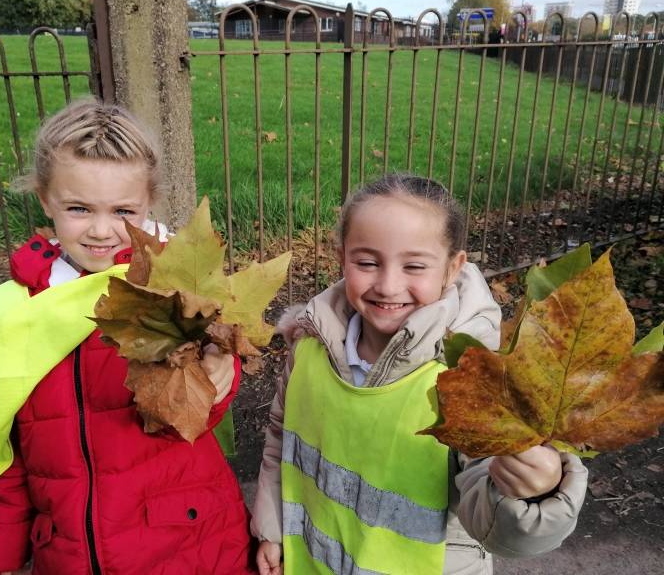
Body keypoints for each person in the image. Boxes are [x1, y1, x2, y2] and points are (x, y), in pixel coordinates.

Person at [0, 98, 254, 575]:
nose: (101, 231)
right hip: (70, 551)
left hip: (186, 544)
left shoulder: (171, 285)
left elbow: (197, 416)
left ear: (148, 203)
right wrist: (0, 552)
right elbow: (2, 443)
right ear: (45, 199)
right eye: (79, 208)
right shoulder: (15, 309)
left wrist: (222, 367)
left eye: (123, 210)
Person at [251, 174, 588, 575]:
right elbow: (282, 439)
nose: (388, 285)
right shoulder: (310, 347)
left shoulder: (474, 375)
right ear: (341, 257)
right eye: (367, 263)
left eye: (414, 266)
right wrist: (274, 529)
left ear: (452, 268)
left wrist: (534, 495)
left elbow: (491, 523)